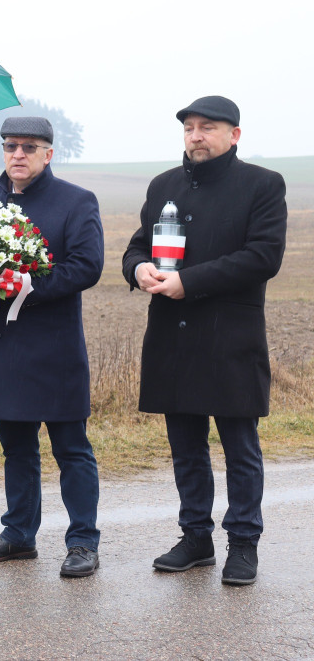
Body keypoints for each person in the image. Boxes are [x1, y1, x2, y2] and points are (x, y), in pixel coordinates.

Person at [122, 96, 287, 586]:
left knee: (240, 447)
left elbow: (262, 257)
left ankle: (244, 544)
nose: (195, 136)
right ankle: (196, 538)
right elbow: (136, 245)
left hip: (230, 337)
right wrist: (139, 268)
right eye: (189, 128)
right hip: (172, 337)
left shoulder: (262, 185)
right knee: (186, 447)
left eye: (206, 128)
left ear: (234, 134)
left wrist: (188, 282)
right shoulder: (164, 185)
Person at [0, 117, 104, 577]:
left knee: (71, 449)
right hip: (2, 347)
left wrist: (25, 284)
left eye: (29, 147)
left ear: (48, 154)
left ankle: (82, 543)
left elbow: (86, 267)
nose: (18, 154)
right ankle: (19, 534)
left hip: (54, 349)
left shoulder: (76, 202)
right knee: (16, 450)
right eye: (10, 146)